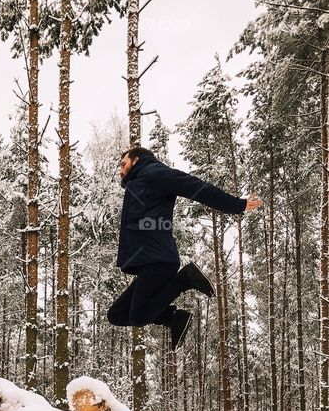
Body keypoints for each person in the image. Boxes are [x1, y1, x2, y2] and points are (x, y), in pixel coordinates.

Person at [107, 146, 263, 349]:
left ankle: (185, 279)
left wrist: (237, 205)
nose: (121, 170)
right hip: (147, 261)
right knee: (116, 315)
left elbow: (198, 188)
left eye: (123, 164)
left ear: (136, 160)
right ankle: (174, 317)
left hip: (158, 260)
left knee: (138, 316)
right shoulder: (138, 183)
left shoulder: (156, 173)